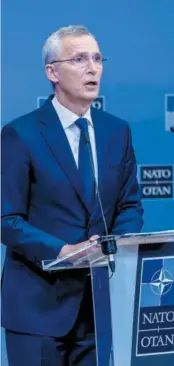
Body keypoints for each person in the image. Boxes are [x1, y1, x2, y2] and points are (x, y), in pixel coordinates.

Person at [1, 25, 144, 365]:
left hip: (99, 306)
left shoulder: (117, 131)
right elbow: (6, 219)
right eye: (79, 59)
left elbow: (130, 205)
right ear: (52, 72)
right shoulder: (20, 134)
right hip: (38, 309)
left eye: (97, 58)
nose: (92, 68)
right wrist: (63, 252)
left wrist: (112, 246)